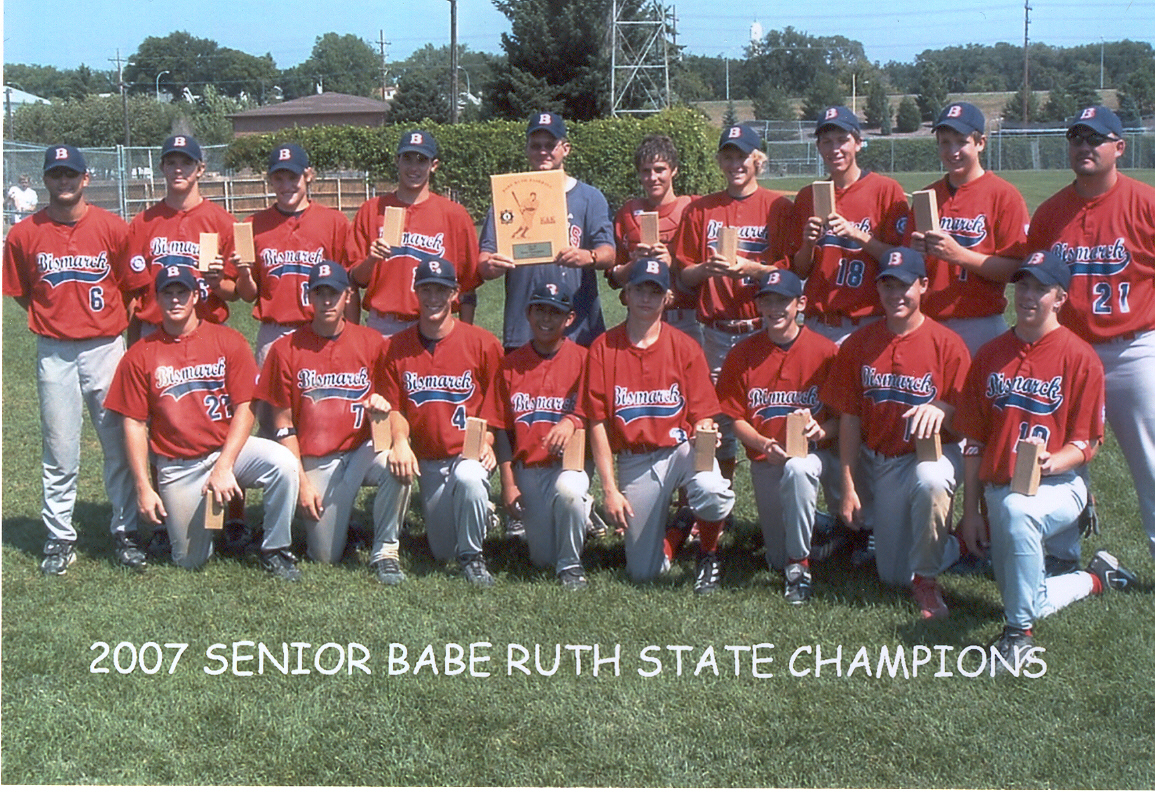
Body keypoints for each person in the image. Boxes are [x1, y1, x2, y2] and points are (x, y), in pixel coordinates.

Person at [954, 250, 1135, 673]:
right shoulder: (991, 354)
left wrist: (1056, 462)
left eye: (1041, 288)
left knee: (1019, 513)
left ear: (1061, 298)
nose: (1028, 296)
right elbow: (974, 443)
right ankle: (1094, 578)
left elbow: (1086, 442)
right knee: (1027, 593)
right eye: (1024, 285)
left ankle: (1018, 637)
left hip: (1060, 485)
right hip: (1000, 487)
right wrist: (972, 512)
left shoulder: (1079, 356)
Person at [3, 145, 150, 575]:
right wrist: (53, 317)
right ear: (45, 179)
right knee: (60, 448)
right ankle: (60, 535)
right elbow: (21, 292)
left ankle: (125, 530)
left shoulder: (113, 227)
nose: (64, 181)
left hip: (105, 347)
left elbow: (132, 286)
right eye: (56, 174)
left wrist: (107, 323)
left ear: (85, 178)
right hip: (54, 350)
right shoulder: (24, 233)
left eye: (71, 173)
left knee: (118, 444)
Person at [103, 265, 301, 579]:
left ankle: (275, 548)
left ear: (196, 296)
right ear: (157, 299)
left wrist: (224, 465)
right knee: (190, 560)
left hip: (227, 452)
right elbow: (134, 424)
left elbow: (246, 405)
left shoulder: (227, 340)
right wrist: (143, 487)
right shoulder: (141, 354)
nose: (175, 300)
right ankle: (207, 520)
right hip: (179, 464)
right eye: (168, 293)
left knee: (283, 463)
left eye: (182, 292)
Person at [1027, 104, 1155, 562]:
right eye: (1077, 138)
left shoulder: (1145, 203)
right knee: (1055, 454)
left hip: (1133, 348)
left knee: (1151, 460)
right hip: (1069, 352)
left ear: (1119, 147)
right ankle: (1059, 553)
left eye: (1095, 138)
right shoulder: (1051, 213)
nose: (1084, 146)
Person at [821, 247, 970, 618]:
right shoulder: (859, 344)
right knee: (891, 575)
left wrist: (944, 408)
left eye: (904, 285)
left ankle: (930, 577)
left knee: (931, 479)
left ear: (923, 285)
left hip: (930, 455)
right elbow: (850, 419)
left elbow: (970, 424)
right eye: (887, 285)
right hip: (883, 459)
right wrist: (850, 487)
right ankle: (952, 545)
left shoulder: (947, 344)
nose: (895, 294)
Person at [586, 257, 735, 593]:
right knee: (643, 573)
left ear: (668, 298)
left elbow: (704, 412)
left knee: (712, 490)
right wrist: (609, 490)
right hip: (635, 458)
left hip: (681, 449)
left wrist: (706, 429)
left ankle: (708, 554)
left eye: (655, 292)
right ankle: (679, 529)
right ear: (625, 293)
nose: (646, 298)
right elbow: (596, 423)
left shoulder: (685, 346)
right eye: (640, 289)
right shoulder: (603, 348)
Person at [256, 261, 411, 581]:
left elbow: (394, 407)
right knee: (326, 556)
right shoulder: (286, 349)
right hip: (317, 458)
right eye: (320, 293)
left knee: (397, 465)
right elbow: (283, 425)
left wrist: (394, 433)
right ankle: (344, 524)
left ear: (348, 296)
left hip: (363, 451)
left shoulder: (372, 342)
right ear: (309, 296)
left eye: (334, 293)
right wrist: (301, 482)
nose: (327, 301)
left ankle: (386, 551)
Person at [672, 123, 793, 484]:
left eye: (742, 156)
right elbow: (683, 275)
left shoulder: (779, 207)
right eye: (728, 156)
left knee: (770, 416)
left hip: (764, 327)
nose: (735, 164)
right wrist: (706, 269)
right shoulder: (701, 209)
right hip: (717, 332)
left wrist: (751, 269)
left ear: (758, 160)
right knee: (718, 422)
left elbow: (792, 272)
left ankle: (778, 499)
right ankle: (718, 504)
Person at [379, 257, 505, 586]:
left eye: (441, 290)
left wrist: (487, 440)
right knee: (443, 551)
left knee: (469, 477)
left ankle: (474, 557)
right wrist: (400, 441)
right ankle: (480, 515)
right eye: (426, 289)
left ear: (455, 294)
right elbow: (394, 408)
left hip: (468, 451)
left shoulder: (483, 343)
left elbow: (496, 405)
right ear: (416, 292)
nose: (433, 297)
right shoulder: (395, 347)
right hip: (430, 460)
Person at [716, 269, 840, 603]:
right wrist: (762, 444)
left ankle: (799, 566)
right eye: (767, 300)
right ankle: (821, 526)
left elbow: (845, 419)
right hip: (768, 459)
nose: (774, 308)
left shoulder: (826, 351)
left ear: (800, 303)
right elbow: (734, 419)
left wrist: (822, 430)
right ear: (758, 305)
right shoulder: (743, 353)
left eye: (782, 301)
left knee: (799, 469)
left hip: (819, 456)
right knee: (774, 559)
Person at [479, 112, 616, 352]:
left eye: (550, 145)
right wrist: (492, 266)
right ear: (527, 149)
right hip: (523, 328)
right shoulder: (506, 195)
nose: (543, 151)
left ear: (565, 148)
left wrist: (588, 256)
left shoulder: (589, 197)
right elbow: (484, 259)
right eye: (536, 145)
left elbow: (609, 253)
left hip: (577, 329)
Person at [907, 102, 1031, 354]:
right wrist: (914, 253)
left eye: (961, 142)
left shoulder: (1004, 196)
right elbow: (907, 268)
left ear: (980, 143)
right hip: (929, 321)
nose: (952, 151)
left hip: (981, 323)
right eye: (945, 142)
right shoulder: (927, 196)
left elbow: (1017, 270)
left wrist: (959, 255)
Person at [493, 282, 591, 589]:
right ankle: (573, 518)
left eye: (555, 312)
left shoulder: (585, 359)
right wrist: (508, 484)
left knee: (570, 491)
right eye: (540, 310)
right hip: (530, 470)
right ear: (528, 313)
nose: (546, 319)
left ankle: (571, 564)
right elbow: (501, 428)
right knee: (542, 559)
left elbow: (598, 414)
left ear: (569, 318)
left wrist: (573, 419)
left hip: (569, 465)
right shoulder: (511, 365)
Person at [789, 106, 909, 345]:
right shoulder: (807, 197)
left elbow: (901, 261)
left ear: (858, 143)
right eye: (827, 142)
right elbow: (800, 271)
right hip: (817, 322)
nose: (835, 149)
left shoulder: (886, 190)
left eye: (842, 140)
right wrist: (808, 244)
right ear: (818, 147)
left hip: (867, 322)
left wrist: (858, 235)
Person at [349, 130, 481, 337]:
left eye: (421, 160)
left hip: (436, 322)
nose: (413, 167)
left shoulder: (455, 215)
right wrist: (371, 260)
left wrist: (466, 334)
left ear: (434, 165)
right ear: (397, 161)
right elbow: (355, 280)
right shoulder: (372, 209)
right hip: (384, 324)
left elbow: (468, 284)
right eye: (407, 159)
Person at [236, 143, 356, 367]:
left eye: (293, 177)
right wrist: (243, 274)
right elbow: (247, 295)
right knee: (271, 391)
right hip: (273, 332)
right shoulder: (252, 224)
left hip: (321, 328)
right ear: (270, 180)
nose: (286, 185)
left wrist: (350, 333)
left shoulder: (335, 222)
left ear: (308, 175)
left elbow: (349, 284)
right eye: (279, 178)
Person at [126, 134, 238, 344]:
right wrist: (133, 346)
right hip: (154, 331)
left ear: (200, 169)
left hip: (207, 328)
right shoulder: (143, 223)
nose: (178, 169)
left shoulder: (223, 221)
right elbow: (133, 295)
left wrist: (216, 283)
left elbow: (234, 292)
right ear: (162, 168)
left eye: (186, 163)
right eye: (171, 163)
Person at [610, 133, 700, 343]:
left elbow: (707, 274)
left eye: (660, 170)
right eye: (646, 171)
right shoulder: (627, 214)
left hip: (684, 317)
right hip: (639, 319)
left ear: (674, 170)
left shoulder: (694, 209)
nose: (652, 178)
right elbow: (613, 278)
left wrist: (673, 264)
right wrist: (635, 264)